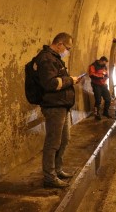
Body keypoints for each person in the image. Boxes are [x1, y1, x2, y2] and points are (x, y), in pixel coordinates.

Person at [36, 32, 81, 188]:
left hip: (61, 105)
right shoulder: (46, 59)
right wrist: (71, 80)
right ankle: (49, 177)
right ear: (60, 44)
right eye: (67, 48)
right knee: (53, 142)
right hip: (53, 106)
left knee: (64, 139)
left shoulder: (55, 59)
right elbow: (51, 83)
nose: (67, 51)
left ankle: (57, 169)